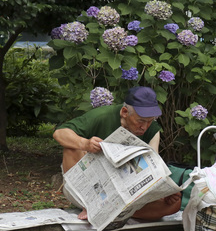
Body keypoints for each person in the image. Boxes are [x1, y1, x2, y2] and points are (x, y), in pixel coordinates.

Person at [53, 86, 181, 221]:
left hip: (124, 193)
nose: (145, 127)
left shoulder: (153, 131)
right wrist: (85, 144)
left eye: (150, 121)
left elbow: (153, 171)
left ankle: (113, 212)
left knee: (173, 204)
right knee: (72, 147)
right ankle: (92, 205)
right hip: (89, 189)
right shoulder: (102, 116)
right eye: (141, 121)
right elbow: (59, 133)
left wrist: (164, 193)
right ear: (125, 112)